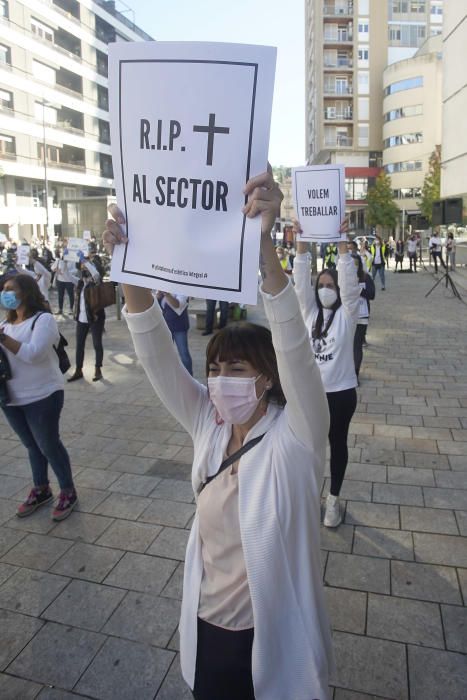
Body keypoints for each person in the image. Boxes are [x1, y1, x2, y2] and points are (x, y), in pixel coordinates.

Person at [103, 169, 334, 700]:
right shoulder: (209, 424)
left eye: (237, 368)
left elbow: (294, 343)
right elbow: (155, 353)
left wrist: (263, 248)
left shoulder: (297, 438)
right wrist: (129, 265)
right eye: (215, 368)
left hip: (275, 641)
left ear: (268, 376)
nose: (221, 381)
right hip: (208, 630)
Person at [294, 223, 360, 528]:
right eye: (321, 284)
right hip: (311, 394)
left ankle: (333, 501)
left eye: (330, 285)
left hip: (341, 393)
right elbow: (300, 286)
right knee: (308, 447)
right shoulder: (310, 313)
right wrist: (302, 247)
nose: (325, 289)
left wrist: (343, 244)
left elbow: (349, 284)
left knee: (338, 444)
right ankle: (309, 496)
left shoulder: (348, 314)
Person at [0, 274, 77, 520]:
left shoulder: (43, 320)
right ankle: (41, 488)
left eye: (11, 289)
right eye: (3, 289)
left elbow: (33, 354)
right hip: (12, 398)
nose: (5, 293)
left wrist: (2, 338)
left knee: (48, 444)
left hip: (43, 394)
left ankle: (68, 491)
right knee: (32, 445)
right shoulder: (6, 324)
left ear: (27, 292)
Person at [67, 253, 105, 382]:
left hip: (95, 317)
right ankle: (78, 370)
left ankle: (98, 369)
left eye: (86, 268)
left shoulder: (96, 282)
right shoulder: (80, 283)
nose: (84, 270)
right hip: (81, 318)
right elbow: (66, 274)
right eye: (83, 268)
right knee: (79, 345)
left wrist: (86, 261)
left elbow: (95, 274)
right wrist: (65, 259)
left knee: (97, 343)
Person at [157, 291, 193, 375]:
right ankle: (169, 376)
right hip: (166, 326)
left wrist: (167, 294)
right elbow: (160, 307)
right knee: (166, 353)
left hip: (179, 327)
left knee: (184, 353)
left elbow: (177, 305)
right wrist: (158, 297)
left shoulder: (183, 290)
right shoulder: (164, 289)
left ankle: (190, 377)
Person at [352, 254, 375, 380]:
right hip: (346, 316)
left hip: (361, 315)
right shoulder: (342, 277)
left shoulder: (365, 277)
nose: (353, 266)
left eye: (356, 263)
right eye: (351, 264)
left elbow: (372, 295)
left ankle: (355, 373)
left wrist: (359, 289)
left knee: (357, 345)